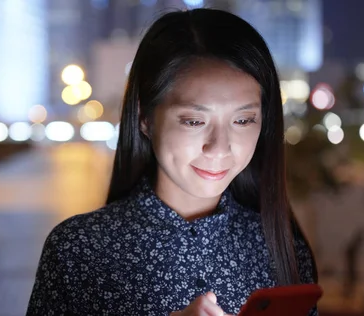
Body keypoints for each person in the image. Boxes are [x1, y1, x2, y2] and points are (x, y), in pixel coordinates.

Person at [27, 8, 318, 316]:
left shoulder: (281, 249)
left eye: (243, 120)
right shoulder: (79, 250)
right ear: (145, 119)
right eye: (193, 121)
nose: (219, 148)